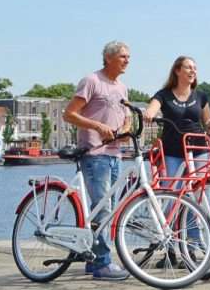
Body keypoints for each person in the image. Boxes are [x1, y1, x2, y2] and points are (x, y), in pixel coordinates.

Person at [63, 41, 131, 281]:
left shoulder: (122, 87)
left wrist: (125, 128)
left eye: (128, 57)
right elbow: (69, 113)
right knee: (102, 209)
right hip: (94, 153)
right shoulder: (91, 81)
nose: (127, 60)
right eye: (123, 56)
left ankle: (93, 259)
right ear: (109, 58)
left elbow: (127, 117)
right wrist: (98, 126)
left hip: (115, 154)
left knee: (107, 211)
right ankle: (103, 264)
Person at [143, 56, 210, 178]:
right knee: (172, 188)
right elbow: (152, 108)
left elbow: (208, 120)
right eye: (188, 67)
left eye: (195, 68)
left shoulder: (201, 96)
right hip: (172, 149)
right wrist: (149, 114)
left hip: (198, 147)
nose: (193, 71)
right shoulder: (164, 95)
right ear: (177, 71)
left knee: (203, 186)